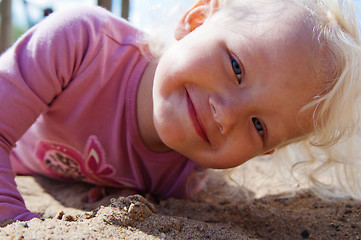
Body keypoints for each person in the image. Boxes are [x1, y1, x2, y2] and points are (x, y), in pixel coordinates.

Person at [0, 0, 360, 224]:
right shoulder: (83, 43)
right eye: (236, 67)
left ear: (264, 152)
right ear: (196, 19)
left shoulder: (184, 179)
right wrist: (14, 219)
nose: (226, 115)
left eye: (258, 125)